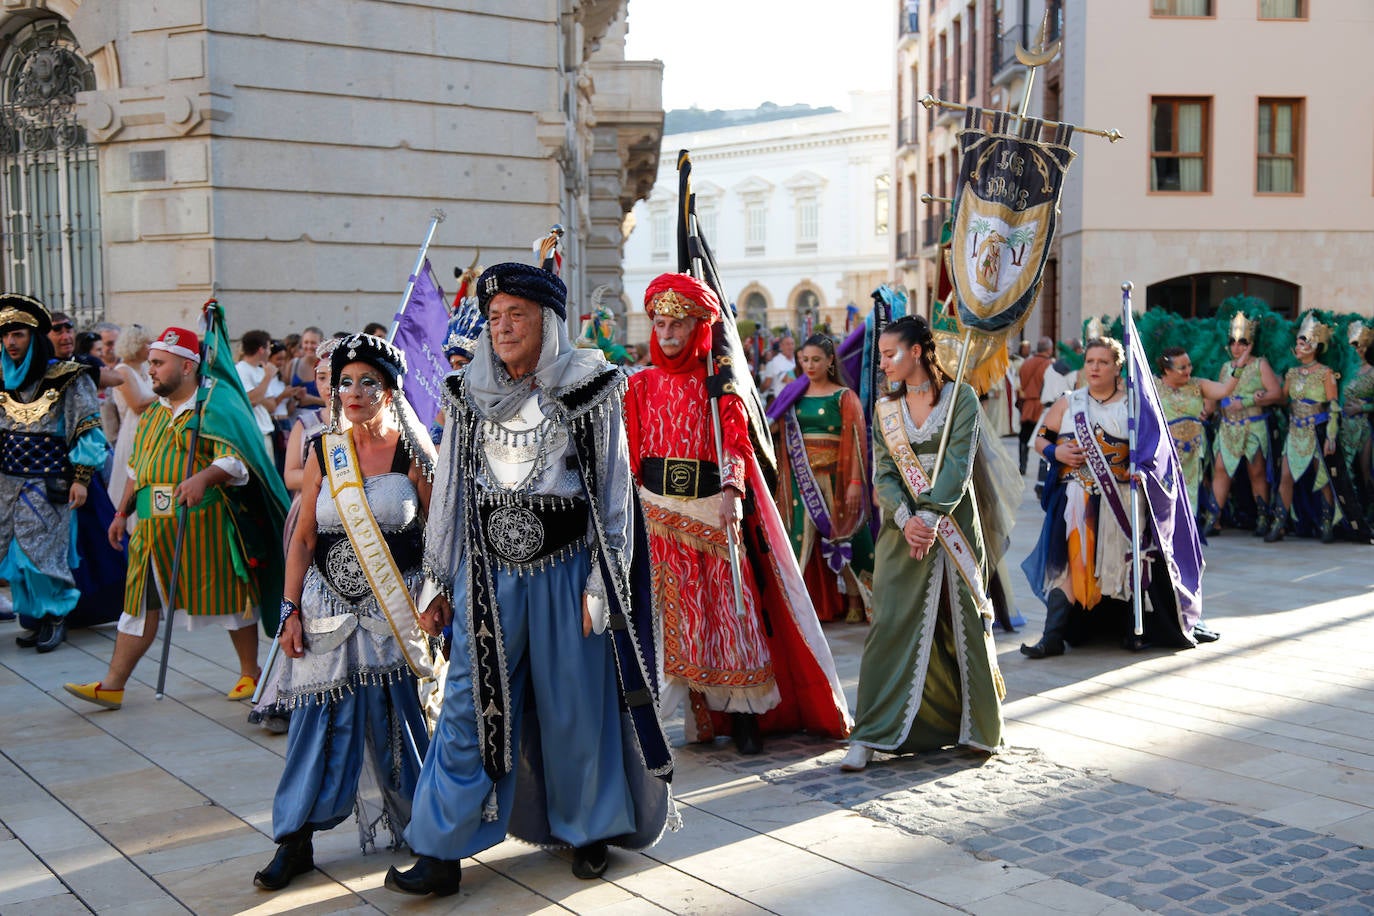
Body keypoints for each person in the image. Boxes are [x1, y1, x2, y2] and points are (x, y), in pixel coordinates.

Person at [386, 262, 671, 897]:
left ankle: (589, 829)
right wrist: (435, 583)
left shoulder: (590, 386)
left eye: (517, 315)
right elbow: (453, 493)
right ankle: (439, 850)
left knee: (575, 704)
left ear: (548, 322)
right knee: (464, 707)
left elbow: (613, 492)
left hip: (568, 575)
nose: (503, 328)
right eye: (494, 317)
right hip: (486, 577)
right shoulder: (465, 393)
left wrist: (603, 583)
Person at [624, 273, 850, 757]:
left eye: (677, 324)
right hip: (657, 514)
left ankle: (746, 714)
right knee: (670, 622)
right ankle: (687, 716)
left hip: (714, 511)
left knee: (731, 615)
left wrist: (732, 488)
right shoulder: (639, 384)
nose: (666, 333)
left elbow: (736, 440)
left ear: (697, 327)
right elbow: (632, 451)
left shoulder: (719, 381)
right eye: (660, 323)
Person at [254, 333, 438, 891]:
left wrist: (439, 599)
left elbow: (440, 538)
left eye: (368, 382)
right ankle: (296, 839)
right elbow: (304, 538)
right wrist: (288, 610)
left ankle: (427, 833)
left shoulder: (416, 450)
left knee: (399, 719)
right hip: (325, 605)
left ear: (390, 389)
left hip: (395, 606)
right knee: (316, 724)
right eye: (345, 381)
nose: (353, 392)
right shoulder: (321, 450)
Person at [64, 325, 284, 709]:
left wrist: (204, 476)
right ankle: (113, 684)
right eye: (150, 363)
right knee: (138, 604)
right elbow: (137, 468)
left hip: (204, 522)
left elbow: (235, 458)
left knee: (230, 598)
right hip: (150, 527)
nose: (150, 370)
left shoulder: (214, 408)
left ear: (186, 367)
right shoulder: (151, 414)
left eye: (159, 363)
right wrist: (121, 513)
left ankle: (250, 673)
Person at [839, 315, 1005, 771]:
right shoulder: (885, 411)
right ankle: (869, 733)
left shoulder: (961, 399)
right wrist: (907, 517)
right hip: (901, 530)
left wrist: (930, 515)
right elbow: (886, 474)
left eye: (891, 354)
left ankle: (978, 728)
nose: (884, 364)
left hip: (951, 525)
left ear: (916, 352)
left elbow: (958, 465)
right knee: (890, 623)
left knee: (964, 620)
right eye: (881, 356)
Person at [1021, 337, 1210, 657]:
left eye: (1103, 362)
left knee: (1123, 564)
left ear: (1117, 367)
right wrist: (1057, 450)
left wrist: (1143, 473)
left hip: (1121, 497)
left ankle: (1131, 630)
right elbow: (1040, 438)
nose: (1094, 367)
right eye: (1090, 361)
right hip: (1077, 498)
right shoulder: (1070, 402)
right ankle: (1051, 636)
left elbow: (1157, 452)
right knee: (1070, 565)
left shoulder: (1134, 406)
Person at [0, 295, 107, 653]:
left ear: (33, 336)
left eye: (17, 334)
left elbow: (88, 431)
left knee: (40, 554)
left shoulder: (67, 378)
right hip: (6, 484)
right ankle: (37, 617)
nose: (10, 343)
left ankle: (56, 616)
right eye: (5, 336)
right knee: (14, 558)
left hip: (46, 483)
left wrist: (81, 477)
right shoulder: (1, 380)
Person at [768, 333, 874, 623]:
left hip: (839, 479)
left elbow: (856, 443)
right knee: (799, 541)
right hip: (803, 482)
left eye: (816, 359)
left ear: (830, 361)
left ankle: (858, 600)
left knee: (848, 539)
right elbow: (773, 432)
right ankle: (794, 611)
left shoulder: (844, 396)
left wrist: (854, 483)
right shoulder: (792, 397)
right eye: (805, 360)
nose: (810, 365)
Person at [1265, 313, 1357, 544]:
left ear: (1315, 345)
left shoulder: (1326, 373)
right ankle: (1279, 523)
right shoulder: (1292, 373)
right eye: (1297, 341)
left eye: (1303, 341)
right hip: (1295, 430)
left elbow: (1334, 406)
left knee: (1323, 478)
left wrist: (1331, 436)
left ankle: (1327, 524)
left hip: (1317, 430)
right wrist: (1266, 392)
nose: (1298, 345)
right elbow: (1284, 400)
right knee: (1286, 476)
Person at [1211, 313, 1282, 537]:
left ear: (1251, 343)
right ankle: (1214, 518)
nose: (1236, 346)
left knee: (1257, 471)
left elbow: (1277, 394)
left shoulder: (1260, 364)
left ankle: (1263, 517)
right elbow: (1219, 392)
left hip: (1254, 426)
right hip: (1228, 427)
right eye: (1233, 341)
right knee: (1221, 470)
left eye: (1242, 342)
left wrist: (1248, 400)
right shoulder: (1225, 367)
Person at [1156, 346, 1242, 525]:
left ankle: (1187, 543)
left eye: (1189, 365)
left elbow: (1225, 390)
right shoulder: (1153, 386)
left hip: (1191, 455)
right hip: (1165, 456)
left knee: (1189, 497)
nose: (1188, 370)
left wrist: (1239, 367)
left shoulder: (1198, 384)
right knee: (1166, 500)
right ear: (1167, 370)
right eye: (1182, 367)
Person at [108, 325, 157, 511]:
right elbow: (137, 405)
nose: (150, 347)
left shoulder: (145, 368)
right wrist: (165, 392)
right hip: (133, 432)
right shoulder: (123, 371)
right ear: (134, 345)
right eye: (147, 343)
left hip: (149, 430)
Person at [1340, 321, 1374, 527]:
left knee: (1366, 470)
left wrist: (1362, 408)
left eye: (1361, 345)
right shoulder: (1341, 371)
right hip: (1342, 427)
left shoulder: (1372, 372)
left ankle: (1370, 509)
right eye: (1354, 345)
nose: (1358, 349)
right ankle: (1350, 512)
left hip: (1364, 427)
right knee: (1344, 470)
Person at [235, 329, 284, 459]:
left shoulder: (261, 371)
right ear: (261, 349)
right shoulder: (240, 369)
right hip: (250, 434)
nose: (269, 352)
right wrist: (267, 378)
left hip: (265, 432)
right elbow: (252, 400)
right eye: (269, 347)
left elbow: (271, 405)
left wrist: (257, 392)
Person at [1017, 337, 1053, 473]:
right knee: (1044, 438)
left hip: (1027, 405)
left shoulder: (1026, 363)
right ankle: (1042, 469)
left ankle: (1022, 465)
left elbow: (1020, 382)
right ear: (1049, 349)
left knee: (1024, 436)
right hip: (1042, 406)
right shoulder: (1050, 364)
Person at [288, 326, 327, 410]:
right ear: (301, 343)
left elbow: (337, 400)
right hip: (296, 418)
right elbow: (285, 394)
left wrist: (313, 400)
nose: (309, 346)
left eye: (313, 343)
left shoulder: (327, 366)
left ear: (321, 344)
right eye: (306, 342)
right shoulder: (294, 364)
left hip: (322, 418)